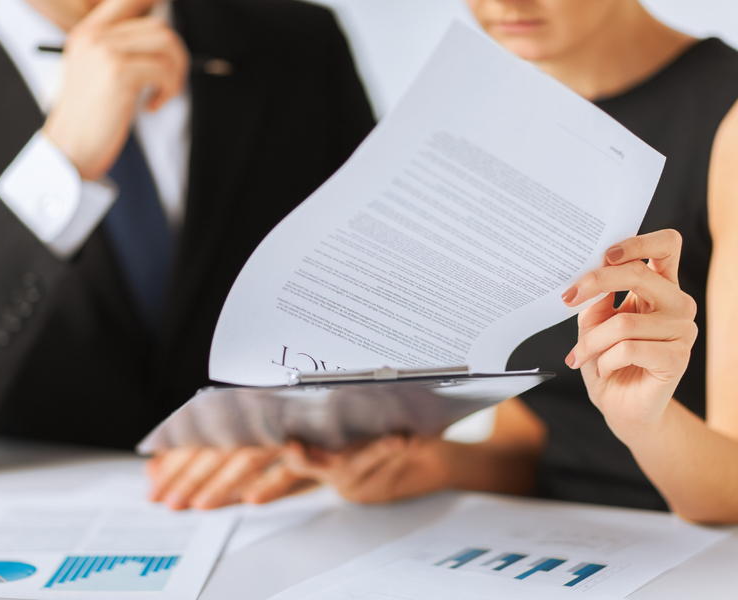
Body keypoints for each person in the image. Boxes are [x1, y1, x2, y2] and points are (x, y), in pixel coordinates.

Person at [268, 0, 738, 525]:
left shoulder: (728, 124)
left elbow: (731, 495)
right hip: (553, 539)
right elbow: (538, 440)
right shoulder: (518, 121)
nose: (502, 5)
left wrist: (646, 424)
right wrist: (436, 464)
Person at [0, 0, 375, 506]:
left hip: (286, 506)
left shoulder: (300, 40)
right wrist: (61, 160)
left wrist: (313, 431)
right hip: (38, 525)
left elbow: (377, 297)